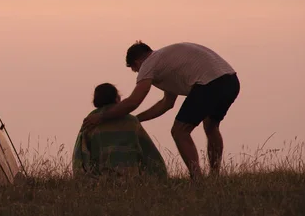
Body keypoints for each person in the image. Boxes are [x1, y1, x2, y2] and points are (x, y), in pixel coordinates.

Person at [82, 42, 240, 179]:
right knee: (211, 126)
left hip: (209, 84)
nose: (139, 75)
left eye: (136, 71)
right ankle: (215, 177)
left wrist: (102, 117)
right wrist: (136, 119)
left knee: (179, 131)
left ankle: (197, 179)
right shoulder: (166, 62)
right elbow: (166, 103)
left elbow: (134, 101)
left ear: (137, 63)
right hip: (231, 81)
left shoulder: (149, 64)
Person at [73, 83, 168, 179]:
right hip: (131, 181)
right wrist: (161, 175)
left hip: (100, 181)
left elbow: (80, 155)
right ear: (116, 98)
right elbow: (150, 153)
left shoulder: (90, 121)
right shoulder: (132, 122)